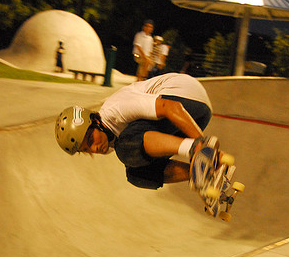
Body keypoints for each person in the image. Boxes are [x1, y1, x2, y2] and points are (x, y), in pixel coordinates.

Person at [55, 73, 215, 190]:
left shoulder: (116, 109)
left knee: (125, 148)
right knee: (136, 173)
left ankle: (197, 149)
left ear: (95, 122)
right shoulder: (107, 137)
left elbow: (170, 107)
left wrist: (203, 147)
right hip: (198, 116)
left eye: (90, 140)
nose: (94, 148)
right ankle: (201, 173)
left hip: (185, 96)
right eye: (87, 149)